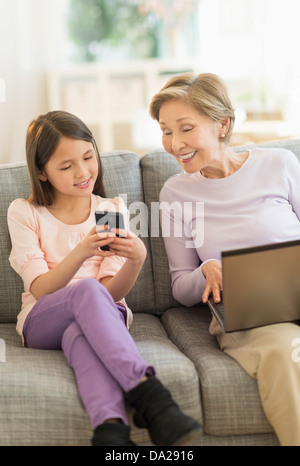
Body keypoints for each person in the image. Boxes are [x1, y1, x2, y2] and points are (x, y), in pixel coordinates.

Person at [7, 110, 200, 446]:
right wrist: (81, 251)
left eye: (88, 157)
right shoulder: (24, 212)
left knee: (79, 332)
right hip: (42, 319)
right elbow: (39, 289)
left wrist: (136, 258)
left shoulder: (109, 208)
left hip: (104, 316)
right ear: (41, 171)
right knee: (85, 291)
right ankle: (150, 395)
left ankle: (110, 430)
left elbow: (110, 293)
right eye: (66, 167)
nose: (83, 173)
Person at [150, 73, 300, 446]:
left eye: (186, 128)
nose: (175, 143)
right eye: (167, 131)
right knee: (285, 352)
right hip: (251, 316)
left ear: (222, 125)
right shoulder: (176, 194)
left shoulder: (280, 164)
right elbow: (182, 287)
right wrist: (207, 270)